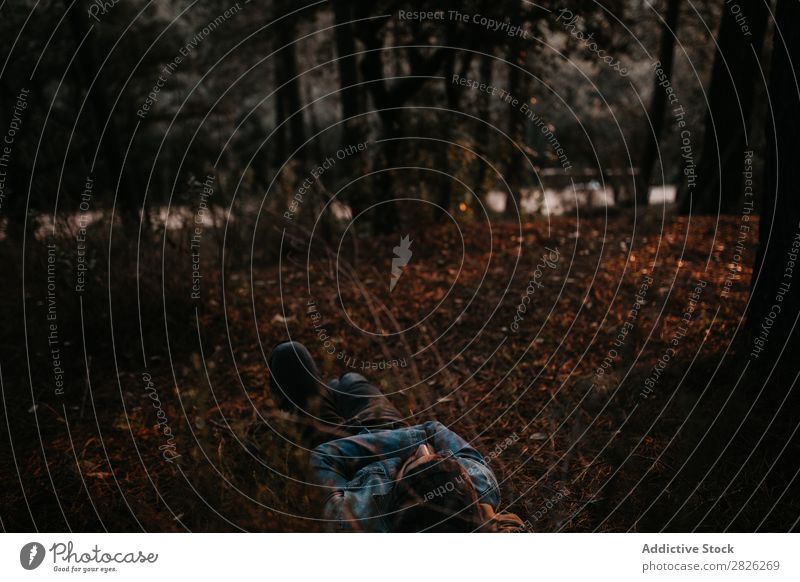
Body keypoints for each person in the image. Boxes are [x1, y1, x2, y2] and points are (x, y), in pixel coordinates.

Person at [269, 341, 525, 532]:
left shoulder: (354, 517)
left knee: (290, 356)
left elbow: (323, 457)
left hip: (339, 445)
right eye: (435, 456)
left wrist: (389, 443)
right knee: (350, 381)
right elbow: (433, 429)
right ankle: (327, 393)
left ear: (398, 493)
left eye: (412, 465)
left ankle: (318, 400)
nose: (425, 451)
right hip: (386, 426)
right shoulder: (480, 482)